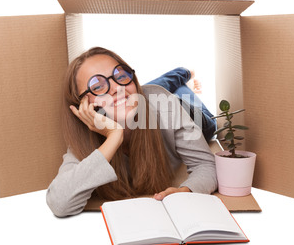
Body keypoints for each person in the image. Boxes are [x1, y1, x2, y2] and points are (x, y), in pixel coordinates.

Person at [46, 47, 217, 217]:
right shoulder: (83, 140)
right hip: (142, 98)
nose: (117, 87)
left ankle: (185, 73)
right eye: (98, 86)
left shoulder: (167, 107)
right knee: (153, 89)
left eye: (121, 76)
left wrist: (186, 191)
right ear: (82, 104)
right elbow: (59, 203)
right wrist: (114, 136)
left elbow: (206, 164)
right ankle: (178, 77)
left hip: (186, 110)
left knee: (208, 123)